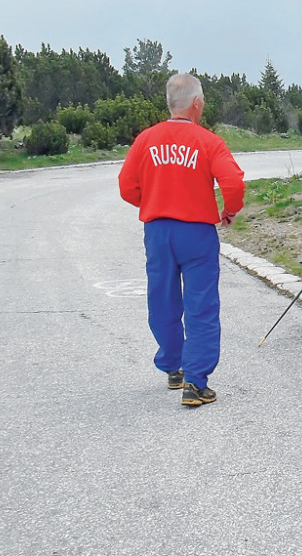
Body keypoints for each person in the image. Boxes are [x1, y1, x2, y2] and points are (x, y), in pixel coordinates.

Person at [118, 73, 245, 407]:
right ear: (197, 104)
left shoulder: (146, 139)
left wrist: (150, 202)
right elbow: (233, 182)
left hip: (158, 230)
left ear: (169, 104)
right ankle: (196, 381)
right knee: (201, 304)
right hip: (197, 232)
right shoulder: (208, 141)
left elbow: (126, 186)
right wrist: (229, 210)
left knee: (162, 298)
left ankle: (172, 365)